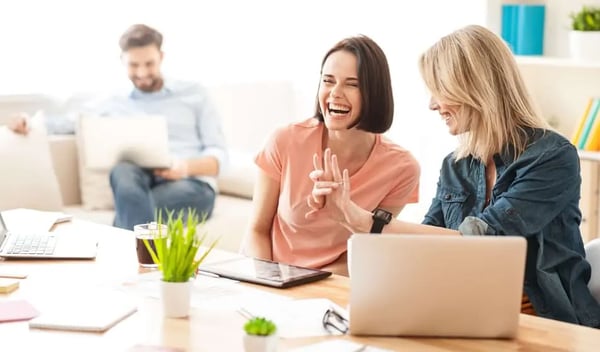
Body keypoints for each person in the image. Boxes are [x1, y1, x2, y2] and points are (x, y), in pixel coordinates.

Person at [308, 25, 600, 327]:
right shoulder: (456, 165)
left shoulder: (551, 156)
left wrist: (366, 221)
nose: (432, 104)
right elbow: (427, 245)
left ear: (474, 87)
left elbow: (485, 240)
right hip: (470, 315)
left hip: (547, 321)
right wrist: (344, 216)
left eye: (439, 91)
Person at [9, 24, 228, 230]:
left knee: (135, 207)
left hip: (191, 185)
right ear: (122, 61)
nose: (142, 73)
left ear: (161, 57)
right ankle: (144, 265)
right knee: (122, 170)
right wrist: (29, 121)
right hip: (137, 183)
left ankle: (122, 254)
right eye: (134, 65)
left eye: (149, 64)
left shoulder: (194, 93)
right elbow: (71, 122)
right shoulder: (114, 102)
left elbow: (219, 156)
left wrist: (184, 167)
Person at [240, 35, 420, 276]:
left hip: (332, 282)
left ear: (374, 93)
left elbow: (365, 248)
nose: (335, 93)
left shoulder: (402, 168)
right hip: (266, 273)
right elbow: (257, 230)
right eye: (328, 81)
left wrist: (309, 284)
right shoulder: (284, 140)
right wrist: (269, 282)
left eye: (352, 84)